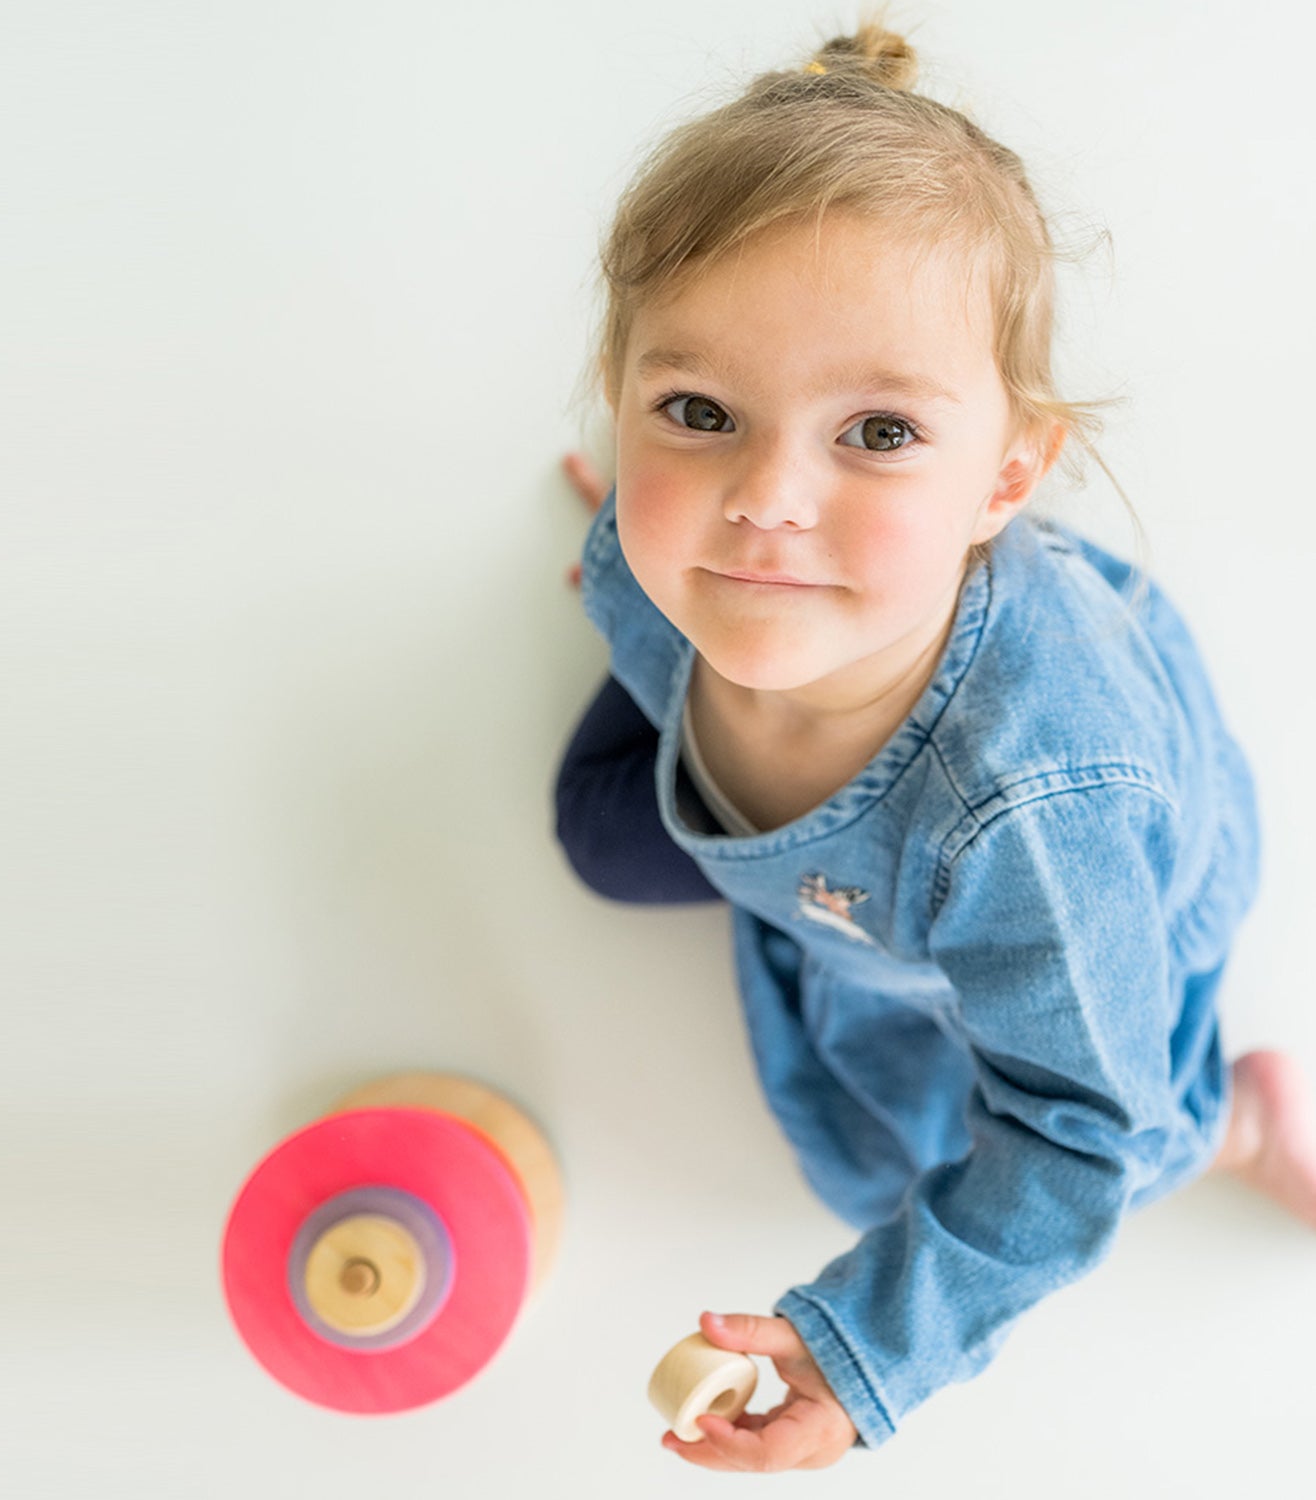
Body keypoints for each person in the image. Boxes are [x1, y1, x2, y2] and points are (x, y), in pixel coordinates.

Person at [553, 21, 1316, 1475]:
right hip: (833, 830)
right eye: (696, 411)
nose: (764, 499)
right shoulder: (689, 549)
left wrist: (868, 1352)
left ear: (1008, 475)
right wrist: (622, 532)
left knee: (921, 1158)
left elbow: (1076, 1130)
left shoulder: (1025, 828)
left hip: (1048, 910)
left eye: (880, 433)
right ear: (621, 387)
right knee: (593, 829)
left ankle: (1233, 1126)